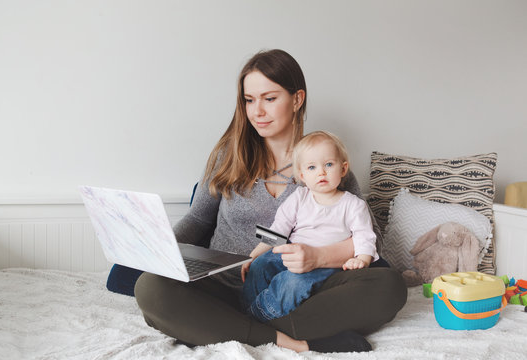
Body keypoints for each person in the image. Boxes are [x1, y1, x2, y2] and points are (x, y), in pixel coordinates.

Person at [109, 49, 407, 353]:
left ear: (297, 99)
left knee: (389, 286)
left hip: (300, 290)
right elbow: (198, 220)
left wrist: (318, 257)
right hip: (225, 285)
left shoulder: (326, 167)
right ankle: (293, 342)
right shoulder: (228, 157)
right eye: (249, 100)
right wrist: (162, 250)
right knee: (151, 288)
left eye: (269, 98)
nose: (257, 112)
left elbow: (372, 242)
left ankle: (220, 327)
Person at [241, 130, 379, 323]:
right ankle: (245, 309)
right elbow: (278, 228)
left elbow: (365, 236)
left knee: (292, 283)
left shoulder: (353, 204)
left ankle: (260, 316)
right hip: (292, 254)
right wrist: (253, 255)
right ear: (302, 175)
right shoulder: (299, 197)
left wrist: (362, 260)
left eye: (329, 164)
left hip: (326, 265)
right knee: (260, 266)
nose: (321, 172)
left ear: (343, 168)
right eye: (312, 167)